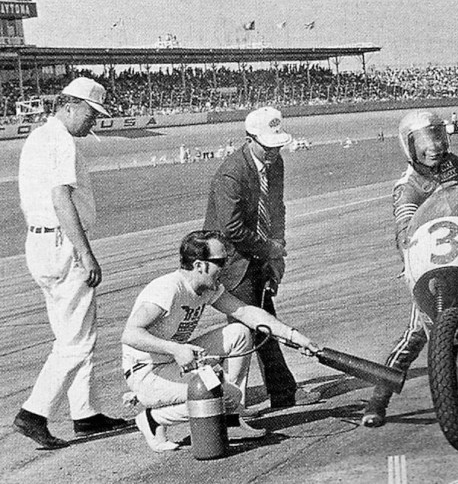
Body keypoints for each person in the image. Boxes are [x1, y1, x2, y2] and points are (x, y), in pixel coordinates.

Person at [121, 230, 318, 452]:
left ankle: (231, 418)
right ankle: (153, 418)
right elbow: (130, 334)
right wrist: (175, 349)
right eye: (220, 262)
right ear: (199, 265)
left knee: (239, 333)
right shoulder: (168, 289)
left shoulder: (206, 288)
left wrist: (293, 336)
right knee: (223, 393)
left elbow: (245, 312)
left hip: (173, 361)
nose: (224, 268)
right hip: (146, 372)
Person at [14, 77, 128, 449]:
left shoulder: (38, 137)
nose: (93, 121)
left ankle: (86, 413)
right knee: (76, 341)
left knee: (75, 331)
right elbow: (61, 198)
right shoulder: (61, 141)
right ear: (70, 105)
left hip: (39, 243)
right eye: (91, 113)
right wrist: (85, 251)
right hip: (63, 244)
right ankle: (34, 412)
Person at [361, 110, 458, 427]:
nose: (435, 146)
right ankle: (377, 400)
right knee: (415, 334)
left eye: (438, 137)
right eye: (425, 141)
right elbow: (404, 232)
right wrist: (410, 257)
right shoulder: (407, 187)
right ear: (408, 146)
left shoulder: (455, 165)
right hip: (433, 270)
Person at [204, 106, 321, 412]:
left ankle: (280, 393)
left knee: (263, 322)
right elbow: (231, 229)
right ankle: (235, 405)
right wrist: (270, 249)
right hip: (230, 261)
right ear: (249, 139)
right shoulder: (232, 172)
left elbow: (276, 206)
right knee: (248, 328)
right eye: (268, 147)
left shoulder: (275, 162)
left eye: (277, 145)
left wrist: (278, 247)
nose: (273, 153)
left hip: (256, 254)